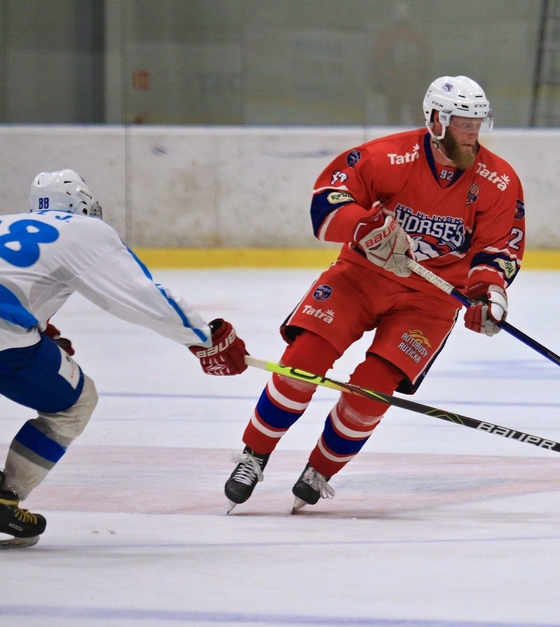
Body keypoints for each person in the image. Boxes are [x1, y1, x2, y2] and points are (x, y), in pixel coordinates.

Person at [224, 75, 525, 513]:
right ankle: (254, 455)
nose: (471, 134)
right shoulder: (389, 156)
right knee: (302, 362)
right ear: (436, 120)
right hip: (360, 277)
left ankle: (320, 470)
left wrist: (487, 295)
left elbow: (499, 249)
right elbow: (326, 202)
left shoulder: (499, 180)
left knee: (373, 390)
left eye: (477, 124)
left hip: (430, 300)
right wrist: (362, 225)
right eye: (463, 123)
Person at [0, 169, 249, 547]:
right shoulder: (84, 229)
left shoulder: (5, 222)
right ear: (84, 205)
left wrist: (39, 326)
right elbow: (138, 294)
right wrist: (204, 337)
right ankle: (6, 498)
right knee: (75, 403)